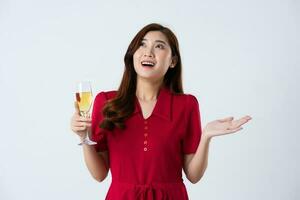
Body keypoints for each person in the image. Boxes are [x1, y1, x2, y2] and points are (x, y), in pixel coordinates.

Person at [70, 23, 252, 200]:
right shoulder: (107, 102)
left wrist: (206, 137)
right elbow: (99, 174)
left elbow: (193, 176)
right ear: (133, 54)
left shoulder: (187, 105)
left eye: (159, 46)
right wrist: (83, 137)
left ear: (172, 61)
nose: (148, 52)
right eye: (142, 44)